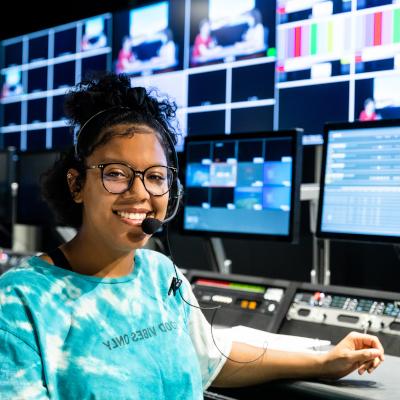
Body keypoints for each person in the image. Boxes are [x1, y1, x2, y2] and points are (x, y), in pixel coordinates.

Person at [0, 73, 384, 398]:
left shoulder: (160, 273)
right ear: (77, 183)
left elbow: (209, 360)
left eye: (155, 177)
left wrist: (324, 362)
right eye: (116, 173)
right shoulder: (20, 302)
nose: (140, 194)